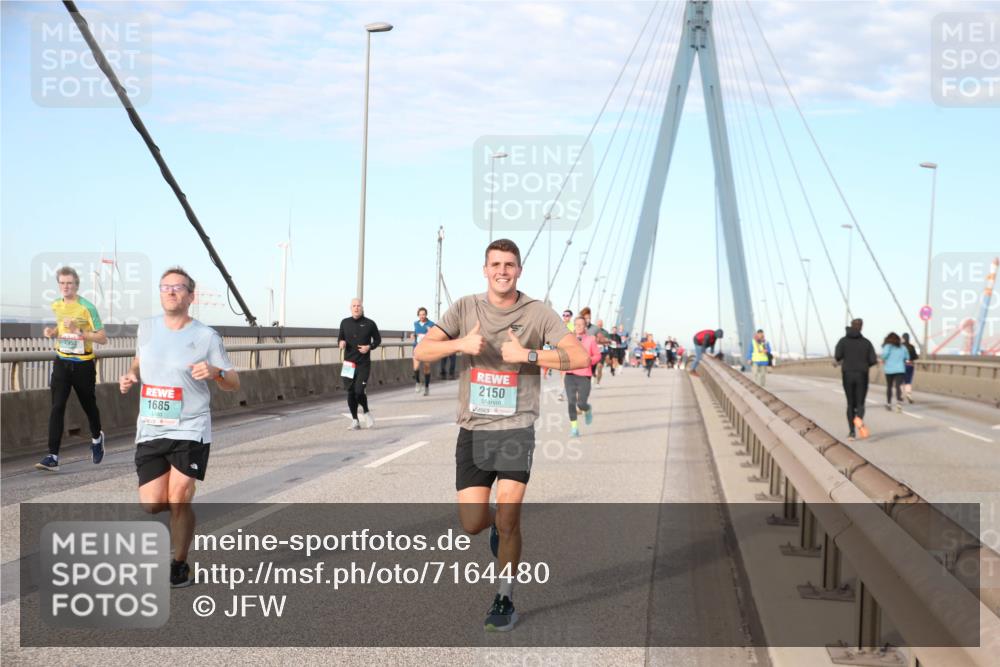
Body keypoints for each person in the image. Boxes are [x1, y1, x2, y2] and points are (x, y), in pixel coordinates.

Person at [414, 239, 588, 632]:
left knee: (510, 517)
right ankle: (496, 524)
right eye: (496, 264)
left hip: (516, 428)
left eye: (509, 265)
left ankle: (504, 596)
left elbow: (579, 356)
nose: (502, 271)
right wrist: (460, 343)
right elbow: (422, 351)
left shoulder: (537, 312)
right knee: (472, 522)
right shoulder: (465, 308)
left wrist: (528, 355)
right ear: (485, 269)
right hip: (474, 429)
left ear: (519, 270)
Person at [119, 267, 239, 587]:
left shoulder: (206, 336)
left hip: (190, 427)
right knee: (152, 504)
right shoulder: (146, 328)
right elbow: (138, 360)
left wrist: (215, 372)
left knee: (179, 497)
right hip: (151, 427)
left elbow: (233, 381)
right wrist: (131, 375)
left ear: (190, 296)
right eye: (165, 287)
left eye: (178, 287)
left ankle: (179, 563)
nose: (171, 291)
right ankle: (181, 515)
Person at [36, 266, 106, 472]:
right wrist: (53, 332)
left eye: (69, 283)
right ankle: (52, 456)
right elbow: (61, 327)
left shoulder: (87, 308)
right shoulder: (56, 304)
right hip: (62, 362)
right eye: (62, 283)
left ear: (76, 285)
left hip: (83, 365)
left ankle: (97, 438)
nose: (65, 287)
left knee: (88, 405)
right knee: (57, 407)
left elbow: (102, 337)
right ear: (59, 285)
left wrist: (80, 331)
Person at [338, 298, 382, 430]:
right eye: (354, 306)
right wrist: (341, 342)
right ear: (350, 308)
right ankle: (355, 421)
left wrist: (369, 347)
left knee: (359, 391)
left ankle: (366, 412)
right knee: (350, 392)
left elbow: (378, 340)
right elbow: (340, 338)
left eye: (358, 306)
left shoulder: (370, 323)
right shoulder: (344, 322)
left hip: (363, 363)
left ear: (362, 308)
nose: (356, 308)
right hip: (348, 363)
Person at [834, 318, 877, 440]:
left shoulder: (843, 341)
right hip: (862, 374)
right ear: (861, 327)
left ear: (851, 326)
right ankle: (858, 419)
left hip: (847, 374)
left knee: (850, 403)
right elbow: (873, 360)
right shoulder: (867, 343)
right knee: (860, 403)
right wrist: (864, 365)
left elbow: (838, 356)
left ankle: (852, 432)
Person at [564, 316, 602, 437]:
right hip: (570, 375)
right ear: (574, 326)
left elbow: (598, 355)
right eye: (577, 324)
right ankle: (574, 429)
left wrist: (590, 360)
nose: (579, 327)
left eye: (581, 324)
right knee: (571, 402)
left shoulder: (590, 340)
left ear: (585, 326)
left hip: (584, 375)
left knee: (581, 404)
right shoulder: (569, 339)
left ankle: (587, 409)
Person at [881, 332, 909, 413]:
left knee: (889, 386)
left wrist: (884, 359)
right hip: (900, 369)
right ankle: (899, 403)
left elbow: (884, 356)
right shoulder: (903, 347)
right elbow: (907, 357)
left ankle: (889, 404)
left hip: (889, 369)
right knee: (898, 386)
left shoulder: (888, 346)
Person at [411, 307, 434, 396]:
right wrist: (413, 335)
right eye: (420, 315)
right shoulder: (416, 323)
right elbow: (415, 332)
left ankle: (427, 387)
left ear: (426, 315)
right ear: (418, 315)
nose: (422, 316)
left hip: (426, 348)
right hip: (416, 347)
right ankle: (418, 382)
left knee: (426, 368)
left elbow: (435, 335)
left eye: (423, 314)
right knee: (416, 367)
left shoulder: (431, 324)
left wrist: (430, 332)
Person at [901, 332, 919, 403]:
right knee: (908, 381)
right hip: (910, 365)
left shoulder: (900, 347)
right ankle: (908, 394)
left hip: (902, 365)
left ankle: (901, 395)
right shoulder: (912, 346)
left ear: (903, 338)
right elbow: (916, 357)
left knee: (901, 381)